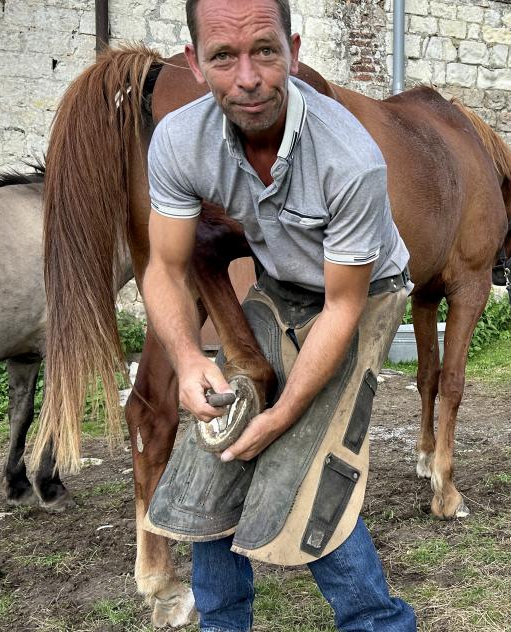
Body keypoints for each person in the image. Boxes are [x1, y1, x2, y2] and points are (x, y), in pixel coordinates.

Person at [140, 0, 416, 630]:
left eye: (264, 50)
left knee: (303, 468)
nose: (247, 77)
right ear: (195, 62)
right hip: (282, 285)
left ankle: (380, 623)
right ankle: (222, 624)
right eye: (223, 56)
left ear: (292, 49)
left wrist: (285, 414)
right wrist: (187, 361)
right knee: (217, 441)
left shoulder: (350, 158)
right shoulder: (181, 141)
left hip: (365, 294)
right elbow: (163, 266)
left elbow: (343, 305)